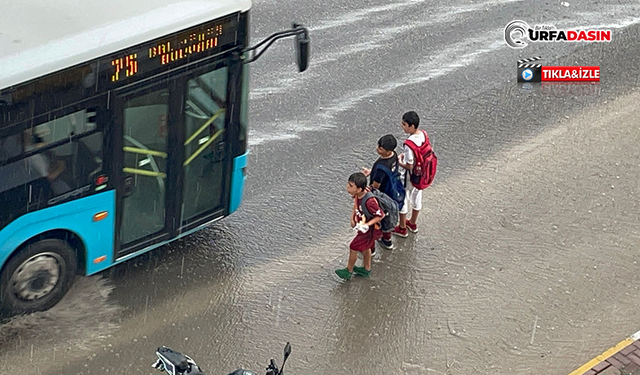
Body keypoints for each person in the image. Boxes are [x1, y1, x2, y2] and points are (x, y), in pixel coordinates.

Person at [335, 173, 384, 280]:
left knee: (353, 247)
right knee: (366, 248)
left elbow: (380, 215)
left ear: (359, 189)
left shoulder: (369, 201)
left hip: (368, 231)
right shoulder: (358, 194)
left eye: (351, 186)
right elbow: (355, 205)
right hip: (362, 227)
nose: (347, 187)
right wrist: (352, 218)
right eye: (348, 184)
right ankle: (366, 269)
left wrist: (367, 224)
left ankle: (349, 270)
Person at [393, 111, 426, 237]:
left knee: (403, 197)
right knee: (417, 196)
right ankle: (412, 223)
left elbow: (409, 165)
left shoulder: (409, 144)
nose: (403, 126)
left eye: (404, 124)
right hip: (422, 173)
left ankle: (402, 228)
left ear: (412, 126)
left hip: (410, 175)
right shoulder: (423, 134)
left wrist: (399, 161)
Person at [362, 134, 398, 250]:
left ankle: (371, 247)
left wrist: (366, 191)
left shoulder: (381, 167)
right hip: (392, 190)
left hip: (381, 195)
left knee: (375, 218)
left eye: (380, 148)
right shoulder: (394, 156)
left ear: (387, 151)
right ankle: (387, 240)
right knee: (388, 217)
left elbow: (376, 185)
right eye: (378, 146)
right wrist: (371, 172)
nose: (377, 149)